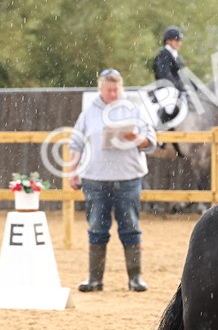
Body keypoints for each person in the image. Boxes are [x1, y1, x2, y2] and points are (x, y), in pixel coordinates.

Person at [68, 69, 158, 292]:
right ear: (101, 90)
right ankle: (94, 279)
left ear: (122, 88)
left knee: (130, 227)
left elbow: (152, 143)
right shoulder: (88, 113)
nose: (112, 93)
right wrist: (72, 171)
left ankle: (135, 278)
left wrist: (135, 138)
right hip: (95, 179)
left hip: (128, 178)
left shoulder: (135, 111)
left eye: (116, 89)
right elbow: (76, 144)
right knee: (97, 227)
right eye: (108, 89)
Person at [152, 26, 187, 128]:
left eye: (179, 40)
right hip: (166, 88)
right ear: (168, 41)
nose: (179, 43)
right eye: (176, 40)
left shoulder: (176, 56)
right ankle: (160, 131)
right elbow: (164, 73)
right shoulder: (163, 55)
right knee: (170, 107)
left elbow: (183, 74)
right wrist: (177, 86)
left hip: (176, 88)